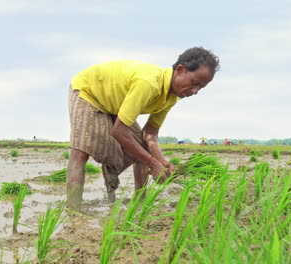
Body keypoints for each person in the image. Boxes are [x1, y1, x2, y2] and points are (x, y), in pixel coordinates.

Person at [66, 47, 220, 209]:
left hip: (113, 102)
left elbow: (150, 133)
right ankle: (73, 209)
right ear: (180, 70)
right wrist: (152, 162)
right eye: (194, 83)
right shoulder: (149, 84)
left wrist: (161, 161)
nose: (195, 91)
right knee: (80, 150)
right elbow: (118, 131)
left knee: (142, 147)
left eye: (201, 88)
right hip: (88, 91)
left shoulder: (172, 96)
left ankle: (140, 203)